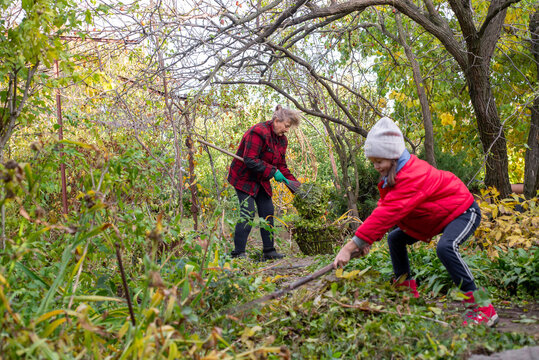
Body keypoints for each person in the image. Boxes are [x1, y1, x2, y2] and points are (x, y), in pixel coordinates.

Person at [333, 116, 498, 327]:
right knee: (395, 239)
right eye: (373, 162)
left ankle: (482, 307)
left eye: (379, 162)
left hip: (462, 211)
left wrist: (350, 246)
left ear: (393, 157)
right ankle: (406, 294)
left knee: (446, 247)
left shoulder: (412, 174)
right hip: (436, 216)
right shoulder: (395, 174)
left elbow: (385, 213)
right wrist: (366, 242)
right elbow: (389, 214)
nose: (376, 166)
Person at [228, 105, 300, 261]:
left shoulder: (282, 140)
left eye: (289, 127)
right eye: (286, 126)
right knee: (247, 213)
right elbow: (250, 160)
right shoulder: (258, 132)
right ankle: (238, 253)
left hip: (261, 179)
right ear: (276, 120)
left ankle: (269, 251)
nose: (287, 130)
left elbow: (281, 166)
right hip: (244, 177)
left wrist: (295, 185)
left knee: (267, 211)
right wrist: (273, 172)